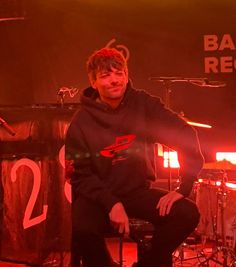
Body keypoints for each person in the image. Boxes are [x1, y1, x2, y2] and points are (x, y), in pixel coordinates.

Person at [65, 47, 204, 267]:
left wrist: (183, 186)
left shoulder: (143, 105)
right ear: (93, 82)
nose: (114, 80)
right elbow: (81, 175)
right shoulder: (81, 122)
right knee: (82, 227)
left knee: (187, 213)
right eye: (105, 75)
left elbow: (186, 134)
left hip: (137, 191)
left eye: (119, 73)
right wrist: (112, 203)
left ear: (127, 76)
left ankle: (148, 263)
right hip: (99, 196)